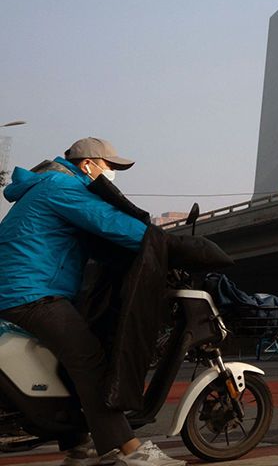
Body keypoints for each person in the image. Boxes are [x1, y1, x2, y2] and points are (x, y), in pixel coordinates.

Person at [0, 138, 185, 466]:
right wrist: (169, 245)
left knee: (63, 363)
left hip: (22, 289)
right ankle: (129, 450)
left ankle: (79, 445)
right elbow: (112, 224)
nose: (111, 174)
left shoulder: (44, 186)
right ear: (88, 165)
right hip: (31, 294)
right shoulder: (64, 187)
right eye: (110, 166)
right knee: (89, 360)